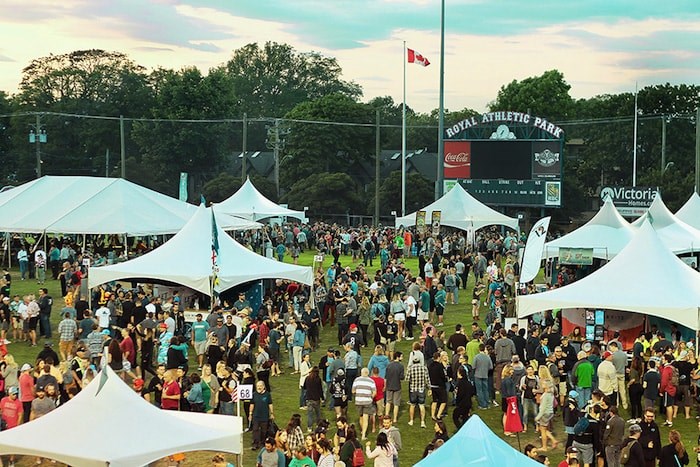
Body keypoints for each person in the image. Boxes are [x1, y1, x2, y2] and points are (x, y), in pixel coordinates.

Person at [352, 367, 377, 440]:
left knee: (361, 417)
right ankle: (363, 435)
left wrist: (357, 394)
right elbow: (374, 392)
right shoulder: (371, 381)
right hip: (367, 401)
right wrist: (371, 397)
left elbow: (353, 391)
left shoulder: (357, 380)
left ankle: (363, 431)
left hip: (358, 401)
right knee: (366, 418)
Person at [406, 356, 429, 428]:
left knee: (412, 405)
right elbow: (427, 379)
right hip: (421, 389)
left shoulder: (410, 368)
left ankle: (411, 420)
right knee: (421, 405)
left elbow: (406, 379)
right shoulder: (424, 368)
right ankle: (422, 422)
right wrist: (429, 388)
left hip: (413, 389)